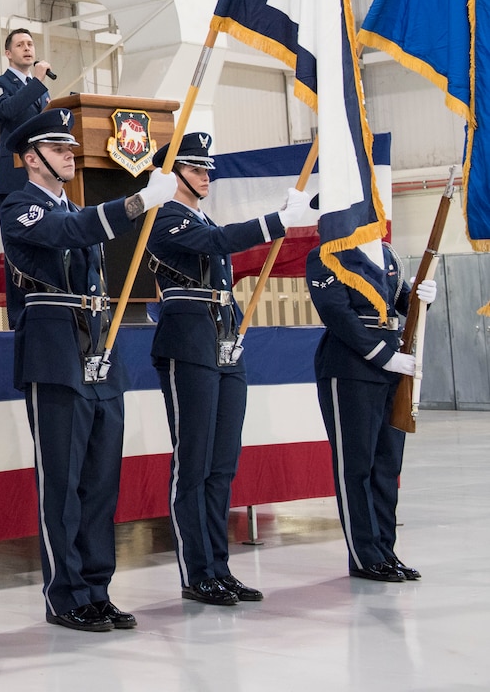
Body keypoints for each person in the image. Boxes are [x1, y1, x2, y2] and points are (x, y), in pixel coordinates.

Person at [0, 108, 175, 632]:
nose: (69, 155)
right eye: (57, 149)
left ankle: (97, 588)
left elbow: (84, 235)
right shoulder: (20, 207)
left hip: (99, 348)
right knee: (63, 481)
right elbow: (64, 232)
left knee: (100, 481)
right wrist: (139, 200)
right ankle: (65, 593)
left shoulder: (79, 208)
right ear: (31, 159)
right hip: (54, 351)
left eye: (71, 148)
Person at [145, 133, 315, 605]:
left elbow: (221, 244)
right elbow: (218, 242)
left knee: (222, 466)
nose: (206, 177)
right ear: (174, 173)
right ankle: (196, 571)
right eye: (197, 169)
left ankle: (218, 567)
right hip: (188, 342)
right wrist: (278, 220)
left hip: (223, 341)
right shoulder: (165, 217)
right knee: (193, 463)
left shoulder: (200, 215)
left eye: (207, 169)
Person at [307, 238, 435, 583]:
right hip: (351, 367)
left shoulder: (386, 252)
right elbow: (338, 315)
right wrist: (384, 356)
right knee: (357, 466)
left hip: (395, 368)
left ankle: (385, 551)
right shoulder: (326, 256)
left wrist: (421, 298)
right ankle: (365, 555)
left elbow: (399, 301)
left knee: (386, 465)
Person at [0, 28, 51, 200]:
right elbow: (7, 110)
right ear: (8, 53)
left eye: (30, 44)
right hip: (14, 174)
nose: (27, 49)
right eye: (20, 45)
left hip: (41, 174)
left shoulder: (40, 90)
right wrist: (37, 82)